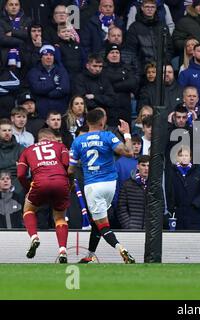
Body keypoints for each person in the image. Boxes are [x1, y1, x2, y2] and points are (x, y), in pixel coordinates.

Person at [68, 108, 136, 263]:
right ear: (102, 122)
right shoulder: (108, 136)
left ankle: (121, 249)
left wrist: (71, 180)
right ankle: (90, 255)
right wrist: (126, 133)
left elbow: (71, 169)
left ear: (87, 122)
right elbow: (129, 152)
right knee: (96, 221)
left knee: (103, 225)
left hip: (93, 186)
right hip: (111, 185)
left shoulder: (78, 141)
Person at [16, 128, 71, 263]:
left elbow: (20, 174)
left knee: (28, 210)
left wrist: (29, 187)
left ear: (38, 139)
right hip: (60, 181)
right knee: (59, 217)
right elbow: (67, 166)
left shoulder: (27, 150)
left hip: (40, 182)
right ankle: (62, 250)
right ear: (51, 138)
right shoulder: (60, 146)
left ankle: (34, 236)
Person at [165, 145, 200, 230]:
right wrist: (171, 207)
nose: (184, 158)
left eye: (186, 155)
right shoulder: (171, 172)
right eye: (181, 155)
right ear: (177, 157)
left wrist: (195, 205)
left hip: (193, 213)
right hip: (176, 213)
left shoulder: (197, 172)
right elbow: (167, 190)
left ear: (190, 157)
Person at [117, 154, 150, 229]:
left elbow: (160, 207)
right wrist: (128, 225)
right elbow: (121, 208)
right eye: (143, 165)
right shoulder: (127, 184)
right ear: (138, 166)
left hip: (150, 230)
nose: (146, 168)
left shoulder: (155, 185)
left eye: (148, 166)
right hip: (132, 229)